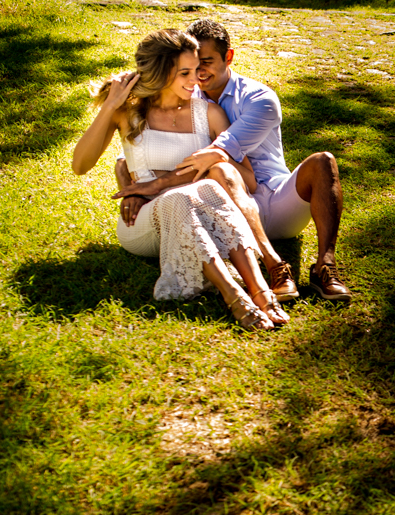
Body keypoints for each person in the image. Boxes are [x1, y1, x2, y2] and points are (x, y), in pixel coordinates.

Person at [114, 18, 351, 303]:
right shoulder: (185, 94)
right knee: (218, 172)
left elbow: (220, 152)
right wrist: (133, 189)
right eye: (192, 64)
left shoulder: (259, 98)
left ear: (229, 56)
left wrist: (155, 185)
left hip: (273, 201)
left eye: (207, 62)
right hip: (220, 207)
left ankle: (325, 266)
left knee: (323, 161)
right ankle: (273, 267)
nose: (199, 72)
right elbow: (137, 151)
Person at [73, 29, 288, 331]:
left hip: (202, 216)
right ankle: (235, 296)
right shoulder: (128, 112)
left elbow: (247, 180)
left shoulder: (209, 113)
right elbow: (80, 165)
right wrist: (109, 106)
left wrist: (207, 164)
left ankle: (262, 292)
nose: (195, 79)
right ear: (161, 73)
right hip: (143, 224)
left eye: (197, 69)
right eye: (184, 73)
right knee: (180, 197)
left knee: (206, 185)